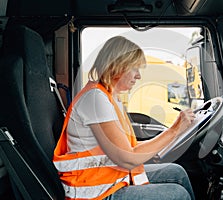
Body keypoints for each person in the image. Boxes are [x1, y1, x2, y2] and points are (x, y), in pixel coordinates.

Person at [53, 36, 196, 200]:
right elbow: (127, 159)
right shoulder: (95, 99)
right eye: (135, 68)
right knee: (177, 194)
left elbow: (125, 146)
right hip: (95, 192)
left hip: (111, 179)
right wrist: (175, 130)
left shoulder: (109, 97)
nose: (138, 76)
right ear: (117, 66)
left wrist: (155, 147)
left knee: (176, 172)